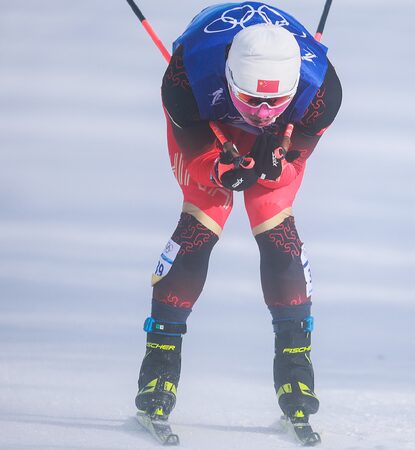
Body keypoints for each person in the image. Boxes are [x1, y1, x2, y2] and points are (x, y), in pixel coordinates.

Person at [134, 1, 342, 430]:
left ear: (293, 88)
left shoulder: (322, 92)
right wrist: (217, 169)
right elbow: (195, 155)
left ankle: (295, 368)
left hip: (281, 123)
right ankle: (160, 362)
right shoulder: (183, 78)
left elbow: (294, 161)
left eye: (274, 101)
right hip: (207, 113)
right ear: (230, 77)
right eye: (251, 99)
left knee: (272, 208)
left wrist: (279, 167)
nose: (262, 113)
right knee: (206, 210)